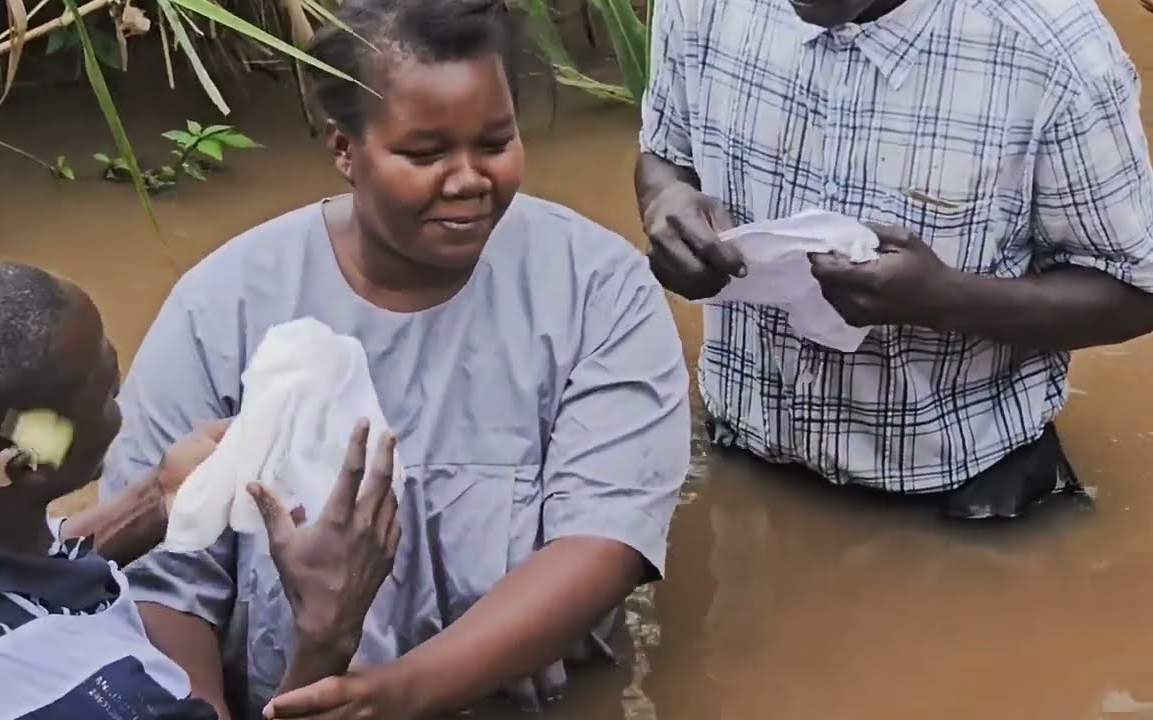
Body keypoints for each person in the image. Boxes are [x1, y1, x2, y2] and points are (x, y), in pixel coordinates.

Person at [98, 0, 691, 717]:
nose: (469, 178)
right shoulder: (223, 305)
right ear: (344, 149)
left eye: (495, 142)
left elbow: (604, 539)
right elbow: (163, 578)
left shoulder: (598, 288)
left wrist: (398, 695)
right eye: (425, 153)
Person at [637, 0, 1153, 518]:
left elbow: (1136, 292)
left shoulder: (1054, 48)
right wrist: (666, 202)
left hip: (964, 497)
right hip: (742, 455)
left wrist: (945, 300)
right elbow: (664, 153)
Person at [0, 262, 400, 719]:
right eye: (104, 390)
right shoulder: (95, 695)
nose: (121, 395)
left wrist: (158, 498)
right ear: (26, 461)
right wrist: (327, 630)